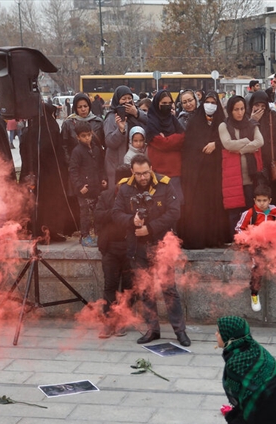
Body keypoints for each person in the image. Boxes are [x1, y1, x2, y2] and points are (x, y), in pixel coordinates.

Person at [112, 154, 190, 346]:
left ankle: (180, 331)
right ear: (132, 171)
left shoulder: (164, 184)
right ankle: (152, 330)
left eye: (146, 173)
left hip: (161, 245)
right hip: (137, 247)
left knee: (169, 290)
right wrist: (131, 220)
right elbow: (116, 213)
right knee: (146, 290)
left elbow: (174, 212)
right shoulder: (125, 188)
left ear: (151, 169)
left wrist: (150, 228)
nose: (143, 177)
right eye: (138, 174)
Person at [178, 91, 226, 249]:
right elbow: (189, 146)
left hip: (215, 172)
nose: (210, 105)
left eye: (213, 102)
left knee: (214, 205)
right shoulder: (195, 121)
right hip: (198, 174)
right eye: (207, 102)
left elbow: (227, 140)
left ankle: (213, 238)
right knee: (198, 205)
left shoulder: (221, 121)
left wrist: (216, 144)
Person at [20, 102, 74, 240]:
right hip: (51, 176)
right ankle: (50, 231)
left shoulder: (30, 130)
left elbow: (24, 153)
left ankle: (36, 230)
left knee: (37, 202)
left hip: (35, 174)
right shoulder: (52, 127)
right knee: (50, 203)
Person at [94, 164, 134, 338]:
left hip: (129, 248)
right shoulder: (106, 195)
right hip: (110, 247)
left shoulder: (135, 196)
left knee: (127, 287)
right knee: (110, 285)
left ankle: (122, 321)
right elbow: (97, 216)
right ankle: (109, 322)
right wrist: (116, 212)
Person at [234, 185, 276, 312]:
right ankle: (254, 294)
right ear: (254, 200)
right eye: (259, 200)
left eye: (264, 200)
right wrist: (248, 238)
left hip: (273, 244)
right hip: (256, 245)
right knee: (258, 267)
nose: (261, 203)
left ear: (270, 200)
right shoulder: (249, 213)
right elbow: (239, 229)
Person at [219, 95, 264, 234]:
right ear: (230, 110)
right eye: (236, 109)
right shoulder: (224, 125)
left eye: (242, 109)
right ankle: (237, 239)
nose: (240, 112)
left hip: (250, 176)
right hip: (232, 176)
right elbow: (227, 144)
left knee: (250, 210)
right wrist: (246, 142)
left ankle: (251, 238)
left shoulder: (251, 124)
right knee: (234, 211)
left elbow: (260, 141)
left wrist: (240, 150)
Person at [69, 121, 107, 247]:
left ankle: (97, 234)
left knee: (97, 212)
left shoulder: (96, 149)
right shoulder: (77, 151)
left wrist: (103, 178)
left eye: (89, 135)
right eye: (83, 136)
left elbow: (101, 166)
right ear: (78, 137)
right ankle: (84, 235)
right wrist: (79, 186)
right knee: (85, 214)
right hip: (84, 190)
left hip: (96, 187)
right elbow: (73, 170)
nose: (87, 138)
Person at [104, 86, 147, 186]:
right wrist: (120, 130)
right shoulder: (112, 117)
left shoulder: (137, 113)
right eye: (123, 99)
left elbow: (151, 123)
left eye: (129, 98)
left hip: (137, 162)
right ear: (117, 100)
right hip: (117, 163)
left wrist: (136, 113)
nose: (127, 101)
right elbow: (109, 142)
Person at [145, 90, 185, 179]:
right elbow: (162, 144)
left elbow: (184, 137)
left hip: (175, 169)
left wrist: (167, 139)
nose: (167, 105)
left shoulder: (172, 119)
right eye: (164, 103)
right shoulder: (151, 122)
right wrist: (176, 139)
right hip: (159, 170)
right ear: (157, 103)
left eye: (169, 103)